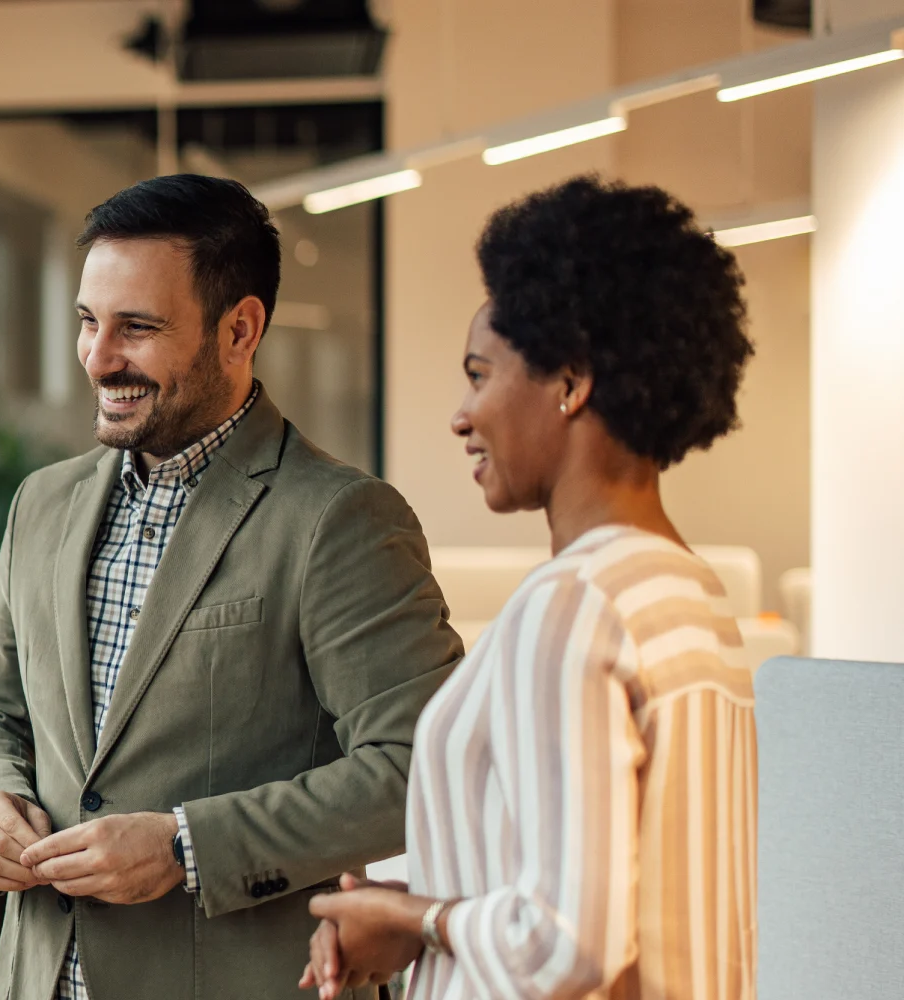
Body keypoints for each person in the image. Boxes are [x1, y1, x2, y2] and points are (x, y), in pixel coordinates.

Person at [0, 174, 463, 1000]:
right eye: (88, 321)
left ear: (240, 329)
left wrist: (188, 845)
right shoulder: (40, 503)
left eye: (137, 328)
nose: (99, 357)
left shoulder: (342, 519)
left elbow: (421, 768)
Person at [301, 176, 758, 1000]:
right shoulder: (688, 595)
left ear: (571, 381)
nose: (462, 414)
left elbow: (569, 946)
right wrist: (433, 911)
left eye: (481, 374)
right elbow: (627, 902)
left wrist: (417, 923)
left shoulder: (575, 604)